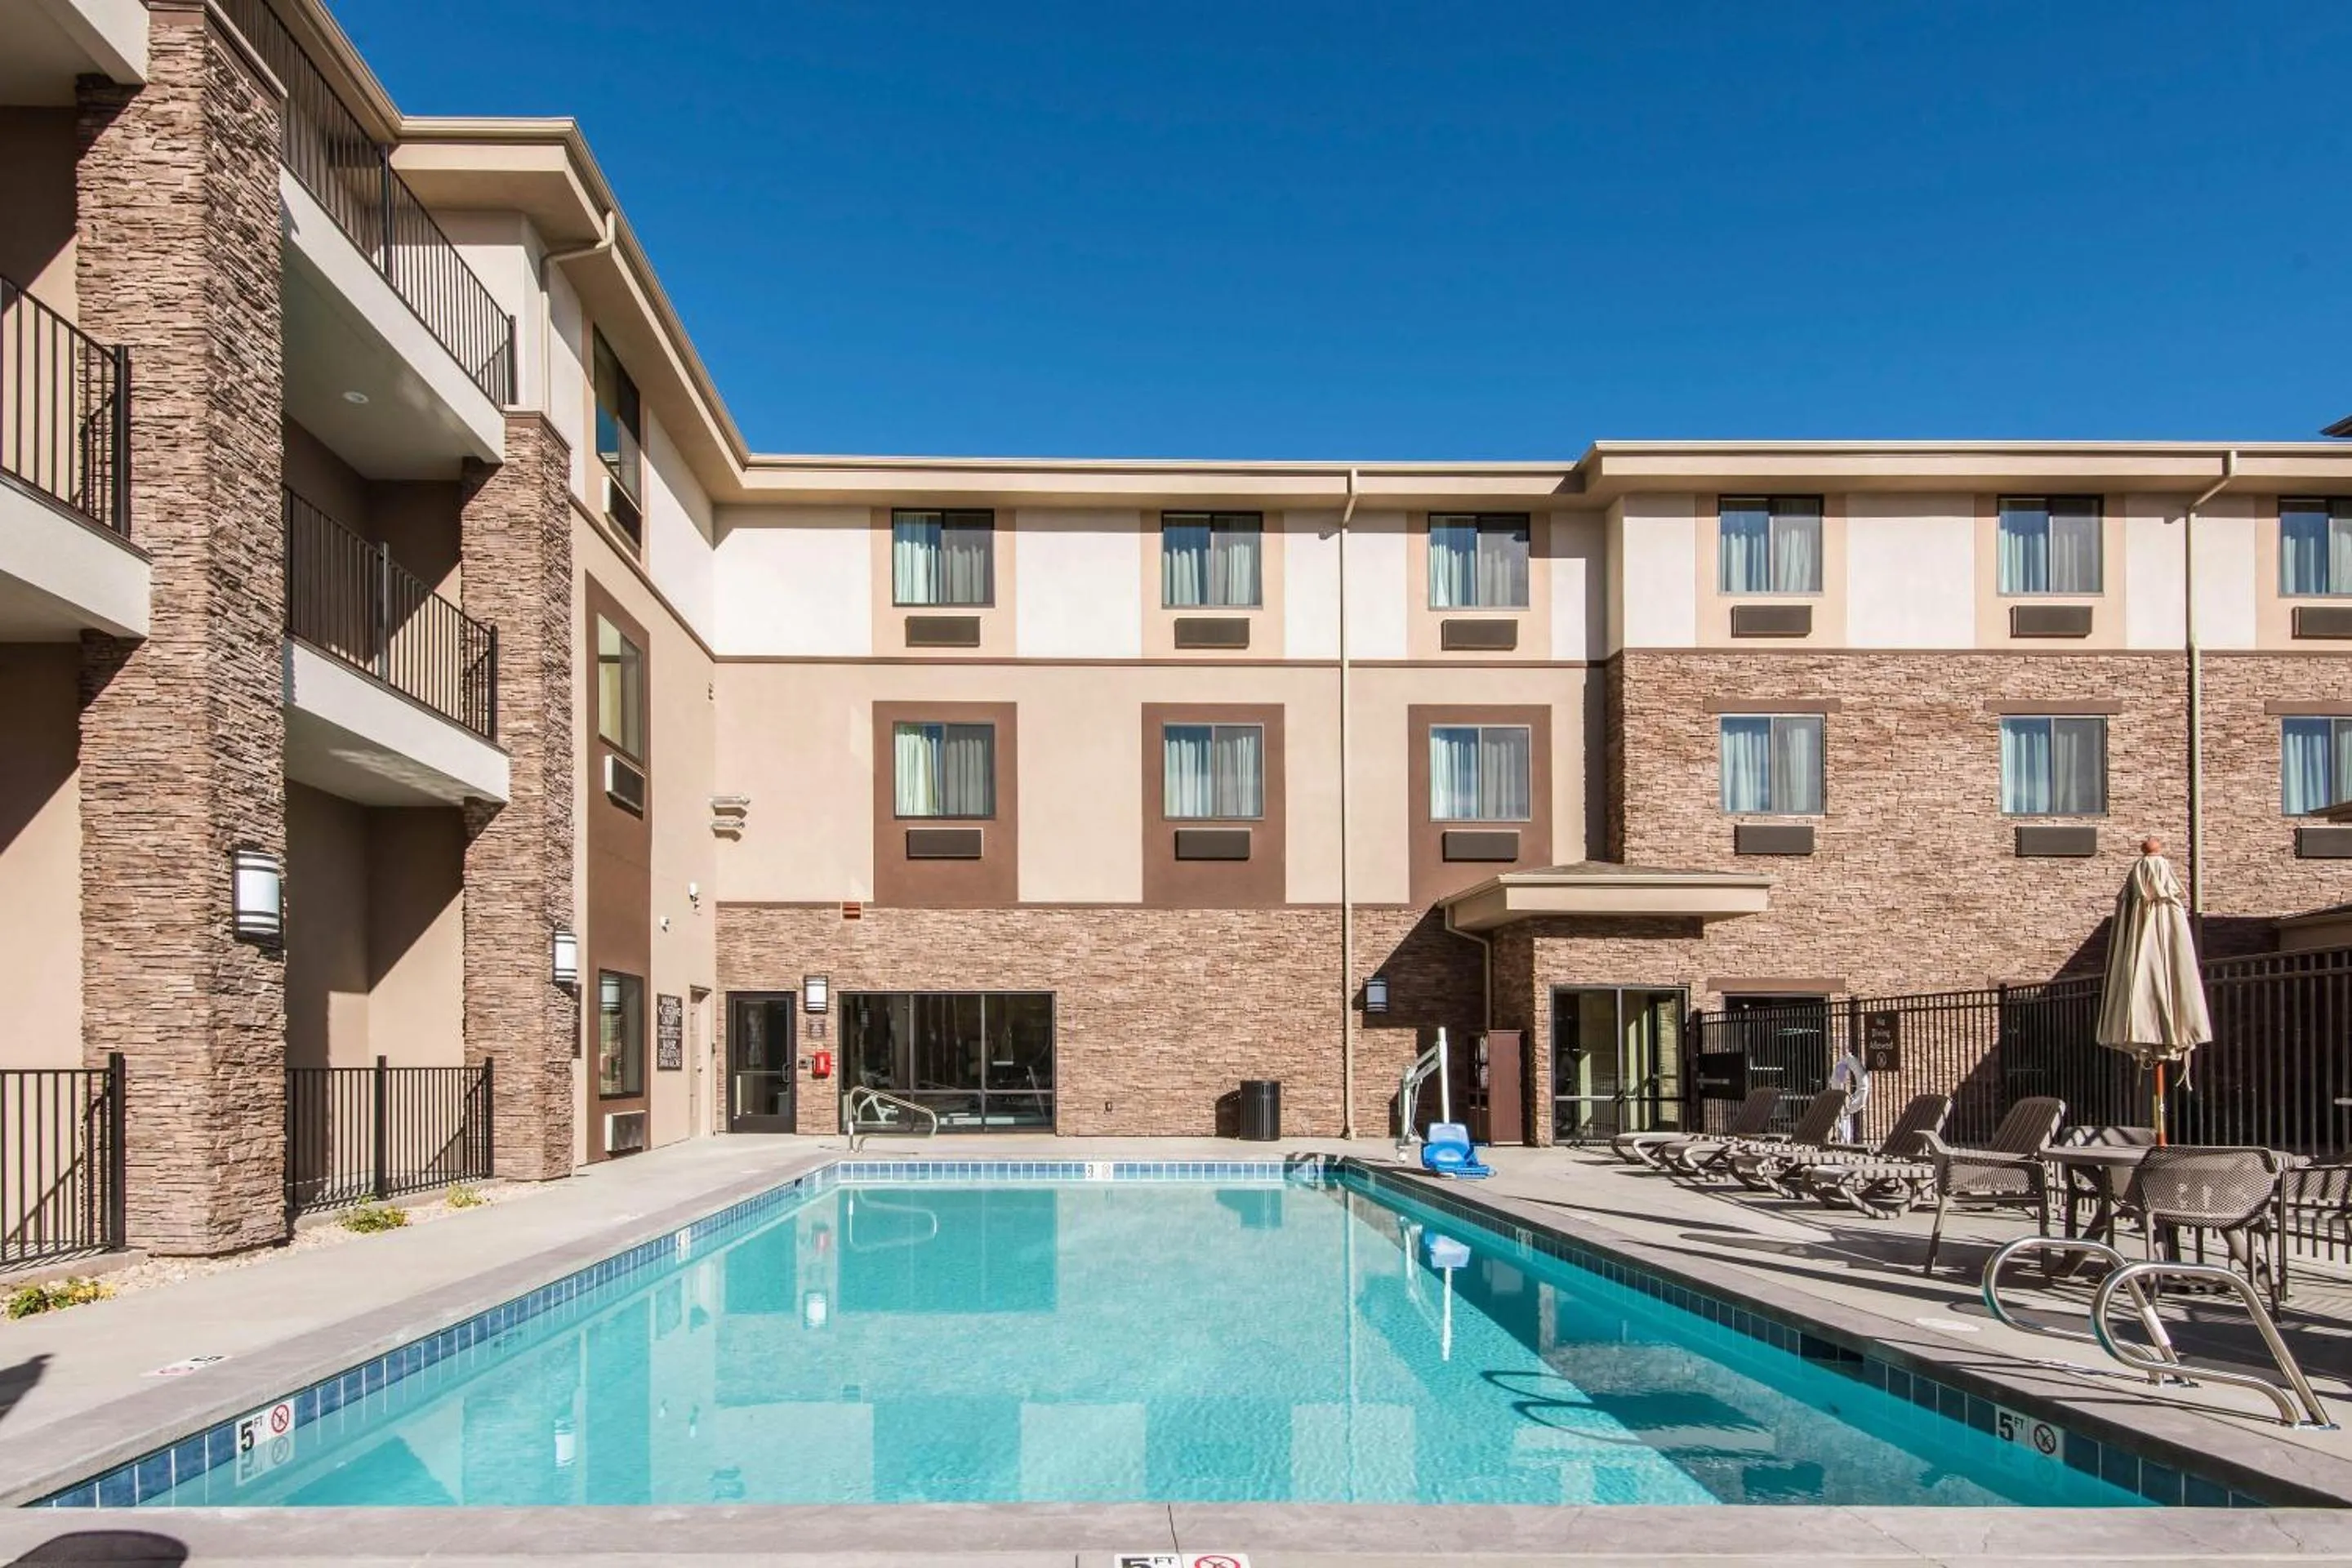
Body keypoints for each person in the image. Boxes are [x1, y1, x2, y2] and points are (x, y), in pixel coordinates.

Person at [1829, 1039, 1870, 1144]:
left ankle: (1841, 1139)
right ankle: (1843, 1140)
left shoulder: (1831, 1101)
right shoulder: (1841, 1065)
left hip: (1842, 1107)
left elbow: (1836, 1083)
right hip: (1845, 1107)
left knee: (1844, 1114)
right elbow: (1863, 1087)